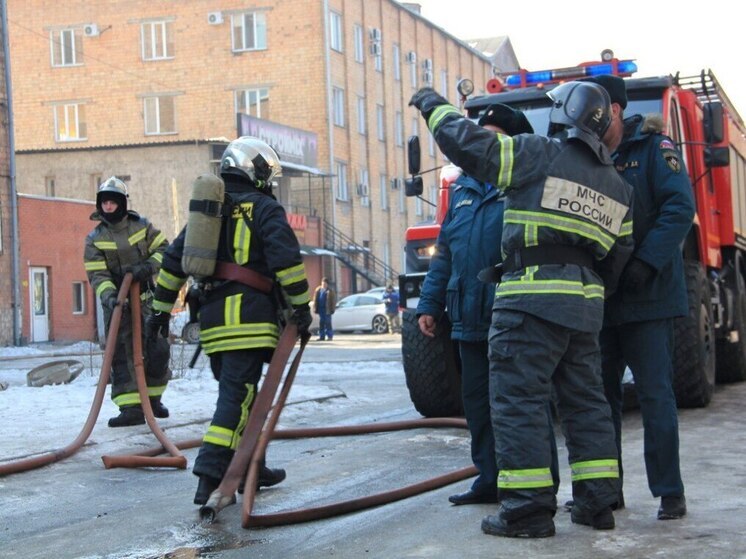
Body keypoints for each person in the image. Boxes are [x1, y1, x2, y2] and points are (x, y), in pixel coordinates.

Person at [410, 81, 634, 538]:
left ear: (565, 116)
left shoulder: (537, 154)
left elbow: (470, 144)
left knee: (519, 404)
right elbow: (617, 258)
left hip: (528, 303)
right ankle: (597, 503)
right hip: (585, 310)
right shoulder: (617, 186)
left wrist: (432, 105)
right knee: (587, 405)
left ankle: (527, 511)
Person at [148, 137, 313, 505]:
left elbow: (174, 262)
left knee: (245, 398)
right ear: (254, 170)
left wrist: (159, 312)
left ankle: (253, 466)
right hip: (250, 322)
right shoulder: (264, 209)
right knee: (236, 401)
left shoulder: (209, 211)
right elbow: (286, 262)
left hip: (214, 324)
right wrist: (302, 309)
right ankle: (209, 475)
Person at [417, 104, 562, 507]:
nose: (484, 145)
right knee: (478, 406)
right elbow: (445, 252)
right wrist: (429, 304)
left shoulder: (526, 182)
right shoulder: (463, 188)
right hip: (468, 316)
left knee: (522, 404)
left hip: (513, 315)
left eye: (494, 137)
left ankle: (537, 485)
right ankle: (489, 479)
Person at [584, 74, 695, 520]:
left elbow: (678, 208)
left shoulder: (653, 150)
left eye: (593, 107)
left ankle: (670, 492)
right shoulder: (585, 156)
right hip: (602, 300)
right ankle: (608, 492)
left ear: (613, 109)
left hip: (648, 298)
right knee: (599, 400)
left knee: (654, 396)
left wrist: (646, 263)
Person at [83, 177, 171, 427]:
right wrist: (111, 296)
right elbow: (97, 274)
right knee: (121, 355)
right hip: (117, 306)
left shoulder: (141, 226)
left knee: (157, 349)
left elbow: (165, 250)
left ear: (122, 203)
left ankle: (152, 400)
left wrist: (147, 268)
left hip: (146, 301)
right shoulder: (94, 238)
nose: (109, 206)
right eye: (105, 202)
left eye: (113, 202)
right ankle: (130, 408)